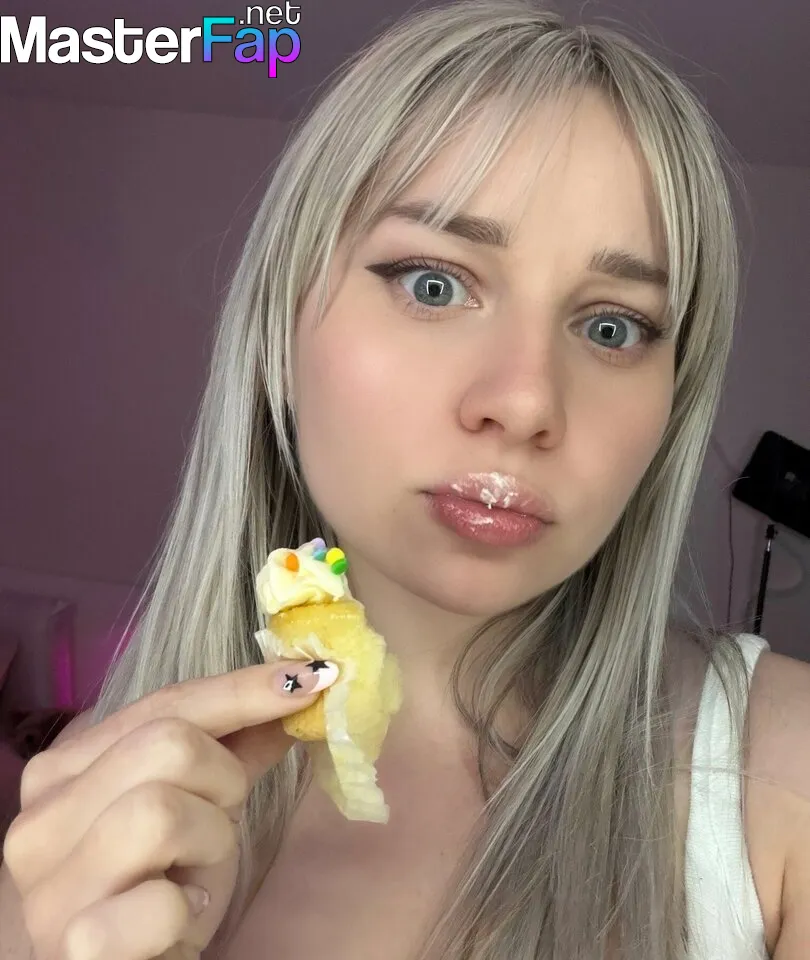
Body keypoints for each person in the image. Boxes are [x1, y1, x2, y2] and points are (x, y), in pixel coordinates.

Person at [1, 1, 809, 957]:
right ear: (282, 328)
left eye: (612, 327)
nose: (525, 400)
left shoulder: (783, 772)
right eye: (435, 283)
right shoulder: (97, 799)